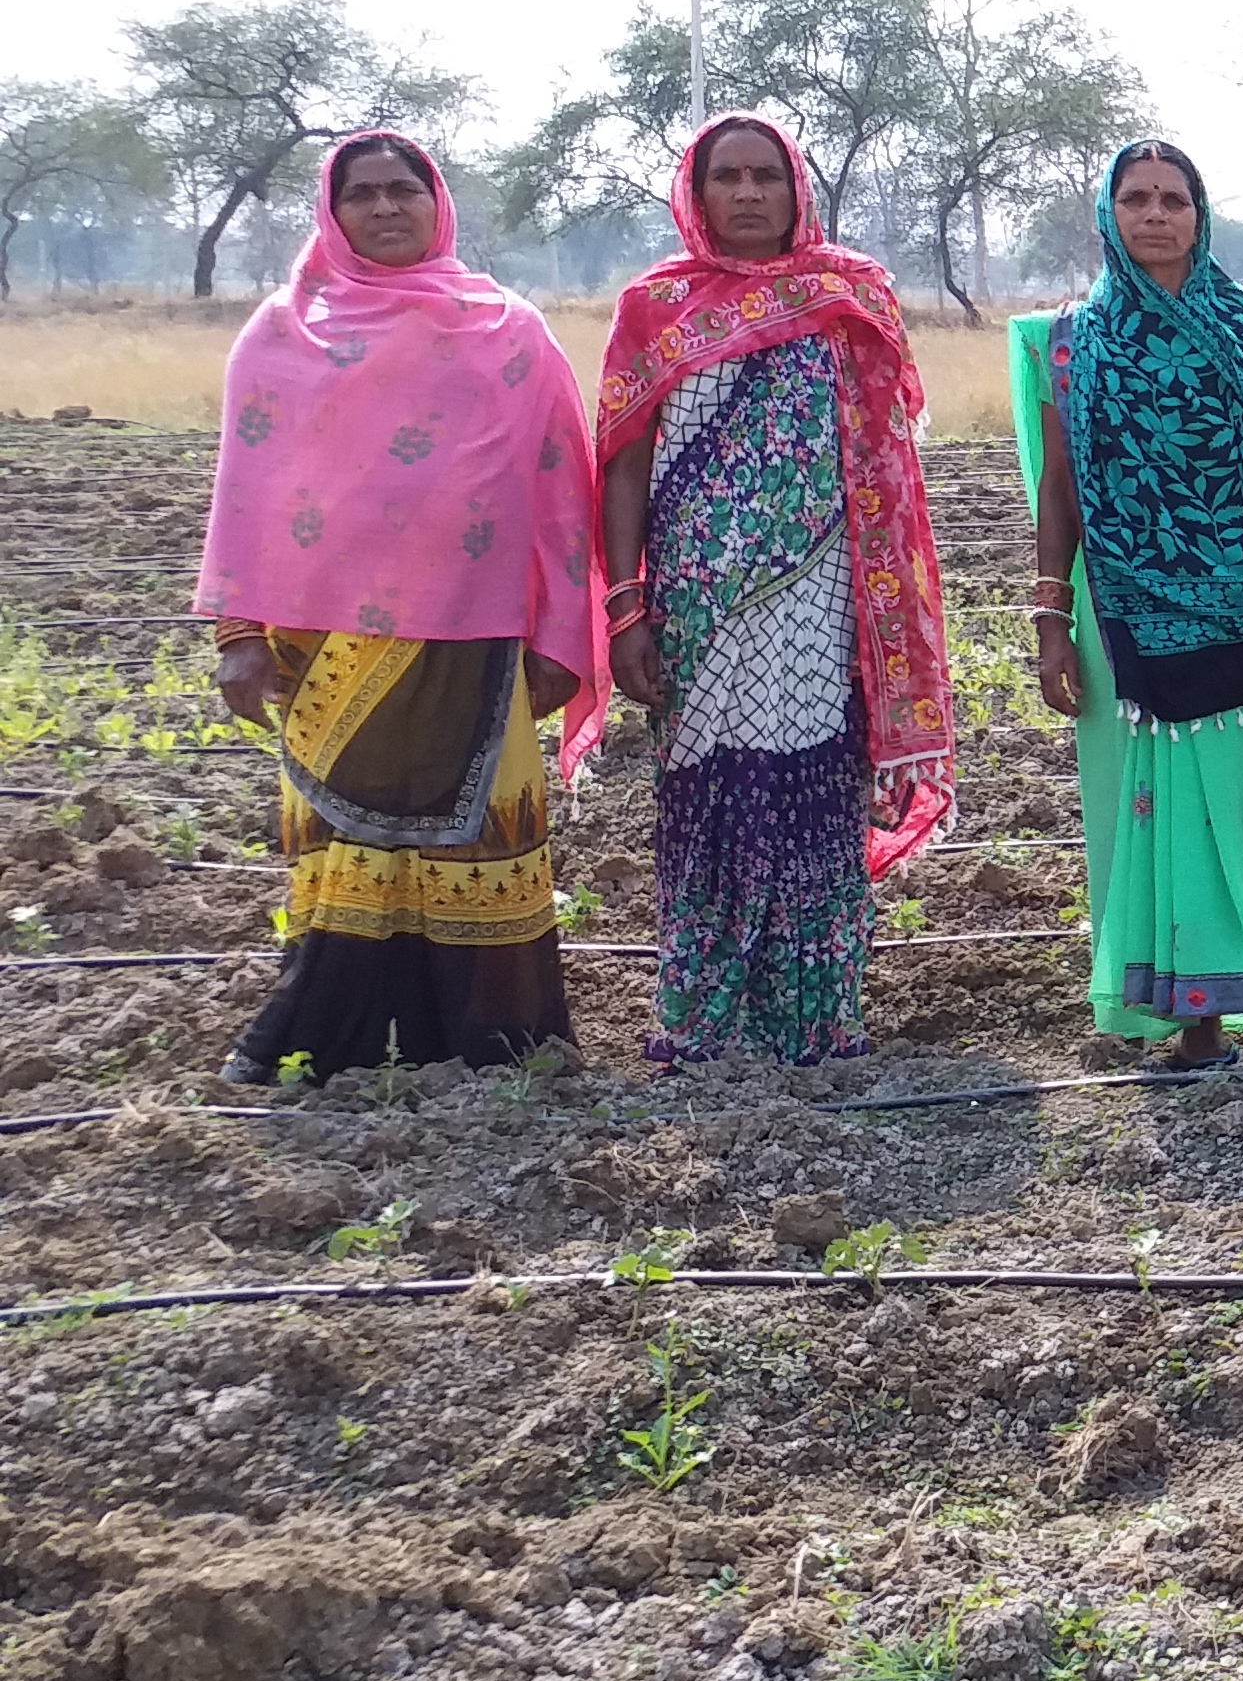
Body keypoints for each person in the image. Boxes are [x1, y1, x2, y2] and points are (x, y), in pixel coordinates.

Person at [200, 132, 602, 1082]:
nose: (384, 208)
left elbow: (559, 488)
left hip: (477, 636)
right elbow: (246, 489)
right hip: (324, 645)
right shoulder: (280, 333)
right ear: (331, 215)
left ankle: (497, 1040)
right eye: (363, 194)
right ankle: (328, 1033)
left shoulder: (509, 330)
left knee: (480, 831)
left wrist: (559, 635)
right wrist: (239, 636)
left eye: (402, 190)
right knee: (345, 836)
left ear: (438, 202)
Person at [593, 114, 957, 1063]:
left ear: (798, 189)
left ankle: (817, 1015)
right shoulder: (653, 308)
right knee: (707, 790)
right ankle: (702, 1019)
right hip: (695, 608)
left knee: (809, 785)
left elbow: (886, 448)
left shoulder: (848, 292)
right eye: (728, 177)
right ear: (697, 193)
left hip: (823, 594)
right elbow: (623, 465)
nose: (749, 193)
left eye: (766, 176)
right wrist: (626, 606)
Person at [1019, 140, 1243, 1065]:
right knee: (1166, 806)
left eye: (1174, 198)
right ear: (1108, 213)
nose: (1156, 214)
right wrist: (1052, 616)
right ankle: (1197, 1011)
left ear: (1200, 216)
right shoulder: (1073, 342)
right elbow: (1063, 487)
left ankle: (1238, 968)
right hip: (1134, 614)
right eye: (1136, 198)